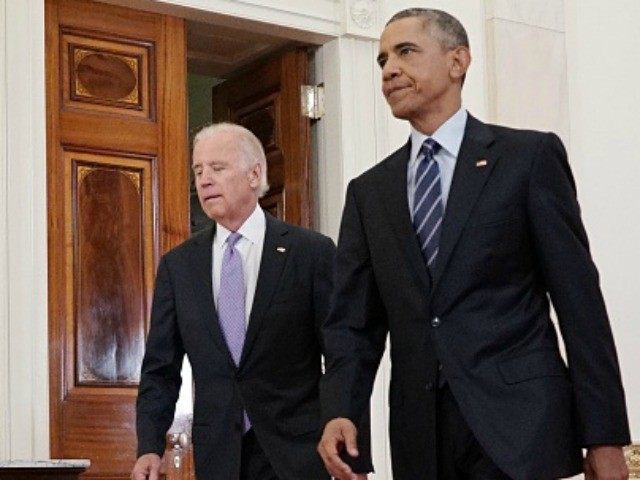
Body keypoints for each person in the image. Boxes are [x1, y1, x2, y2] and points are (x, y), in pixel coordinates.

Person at [317, 8, 630, 480]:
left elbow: (579, 303)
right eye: (381, 60)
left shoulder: (528, 159)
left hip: (521, 430)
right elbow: (353, 324)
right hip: (421, 438)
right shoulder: (369, 192)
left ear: (457, 61)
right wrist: (341, 408)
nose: (388, 70)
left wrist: (604, 437)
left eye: (405, 52)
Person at [132, 123, 366, 480]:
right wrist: (149, 445)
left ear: (255, 174)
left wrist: (351, 450)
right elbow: (160, 368)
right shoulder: (179, 266)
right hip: (218, 458)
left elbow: (343, 353)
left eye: (218, 168)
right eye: (198, 171)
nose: (204, 180)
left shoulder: (311, 253)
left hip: (296, 456)